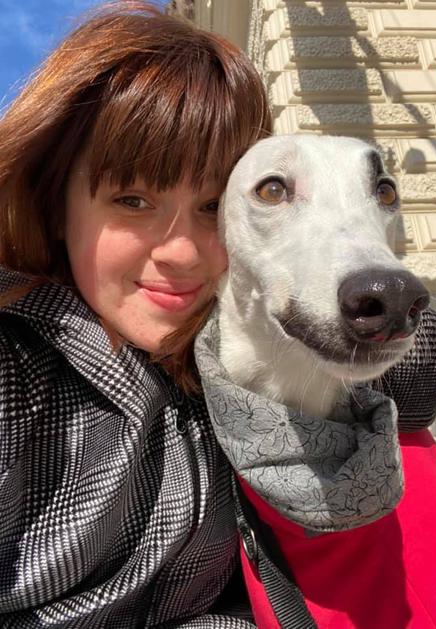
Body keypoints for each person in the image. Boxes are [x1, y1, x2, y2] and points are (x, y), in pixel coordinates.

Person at [0, 3, 271, 626]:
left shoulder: (230, 364)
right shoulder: (16, 368)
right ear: (56, 208)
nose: (183, 253)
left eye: (213, 207)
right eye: (133, 199)